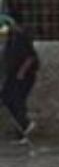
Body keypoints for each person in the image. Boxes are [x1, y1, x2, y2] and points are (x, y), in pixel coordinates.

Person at [0, 13, 38, 143]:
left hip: (23, 76)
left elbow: (31, 57)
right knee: (9, 100)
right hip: (13, 76)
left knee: (15, 100)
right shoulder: (12, 38)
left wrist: (21, 72)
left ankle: (25, 125)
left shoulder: (20, 37)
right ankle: (22, 132)